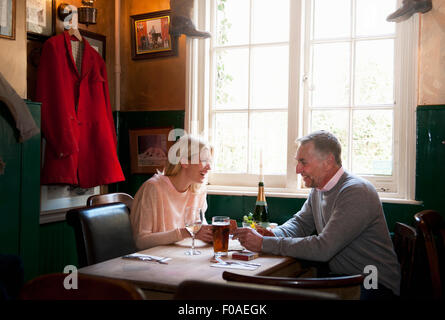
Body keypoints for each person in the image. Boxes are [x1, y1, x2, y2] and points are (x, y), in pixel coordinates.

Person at [233, 130, 401, 300]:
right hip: (342, 278)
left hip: (373, 284)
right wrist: (272, 234)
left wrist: (264, 243)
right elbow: (300, 223)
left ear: (328, 162)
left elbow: (323, 248)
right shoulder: (318, 189)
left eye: (303, 162)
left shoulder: (356, 191)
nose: (298, 169)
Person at [130, 135, 214, 250]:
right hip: (154, 263)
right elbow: (140, 241)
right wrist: (184, 233)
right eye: (204, 160)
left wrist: (211, 235)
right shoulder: (153, 188)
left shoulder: (198, 190)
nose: (209, 167)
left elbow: (200, 229)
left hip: (182, 259)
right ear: (184, 162)